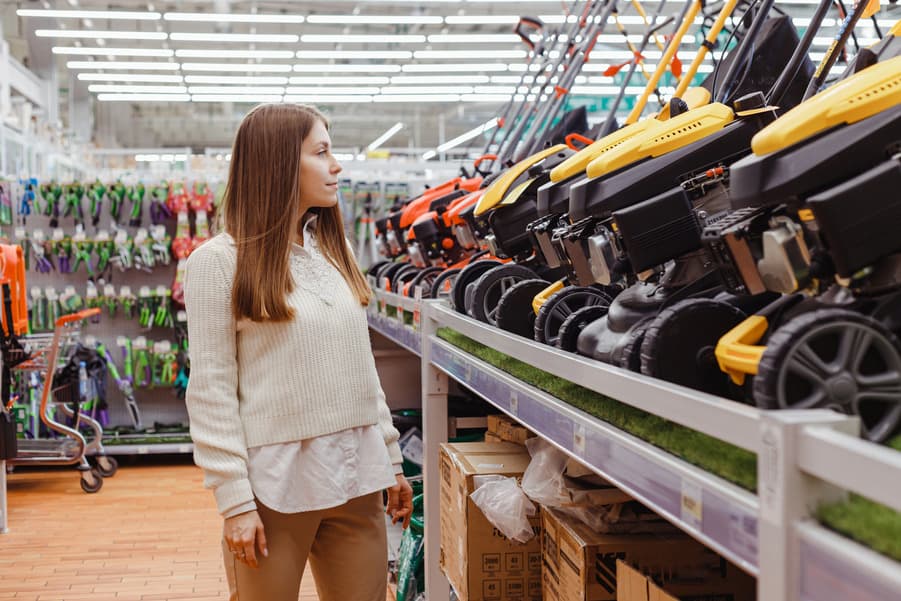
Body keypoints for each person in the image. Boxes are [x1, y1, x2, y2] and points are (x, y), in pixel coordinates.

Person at [184, 103, 413, 601]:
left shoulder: (336, 253)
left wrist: (391, 458)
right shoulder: (217, 264)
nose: (337, 166)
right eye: (322, 152)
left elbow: (361, 366)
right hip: (274, 490)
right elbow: (210, 389)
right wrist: (234, 501)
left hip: (356, 475)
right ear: (279, 164)